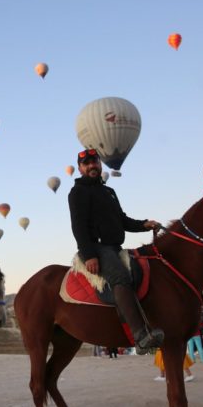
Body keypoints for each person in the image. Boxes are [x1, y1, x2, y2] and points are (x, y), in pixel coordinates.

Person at [68, 148, 163, 354]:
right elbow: (79, 226)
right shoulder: (78, 192)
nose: (92, 165)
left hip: (115, 246)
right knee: (120, 277)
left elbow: (122, 220)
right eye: (87, 163)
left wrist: (144, 224)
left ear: (100, 164)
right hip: (96, 247)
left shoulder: (108, 192)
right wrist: (89, 255)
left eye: (95, 162)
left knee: (142, 267)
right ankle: (140, 335)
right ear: (80, 168)